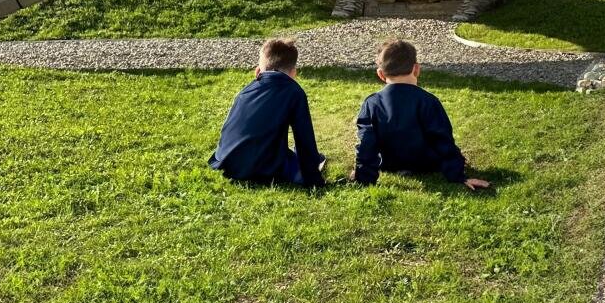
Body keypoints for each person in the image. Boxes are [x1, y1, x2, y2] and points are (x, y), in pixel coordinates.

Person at [348, 39, 490, 191]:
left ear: (381, 74)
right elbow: (442, 140)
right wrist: (457, 174)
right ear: (416, 69)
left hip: (388, 164)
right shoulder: (429, 101)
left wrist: (363, 175)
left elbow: (366, 143)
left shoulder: (372, 103)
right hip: (427, 165)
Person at [209, 38, 326, 186]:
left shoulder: (246, 90)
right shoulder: (294, 92)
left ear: (258, 71)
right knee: (314, 159)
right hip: (263, 169)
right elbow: (304, 139)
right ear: (293, 73)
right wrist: (314, 179)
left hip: (227, 162)